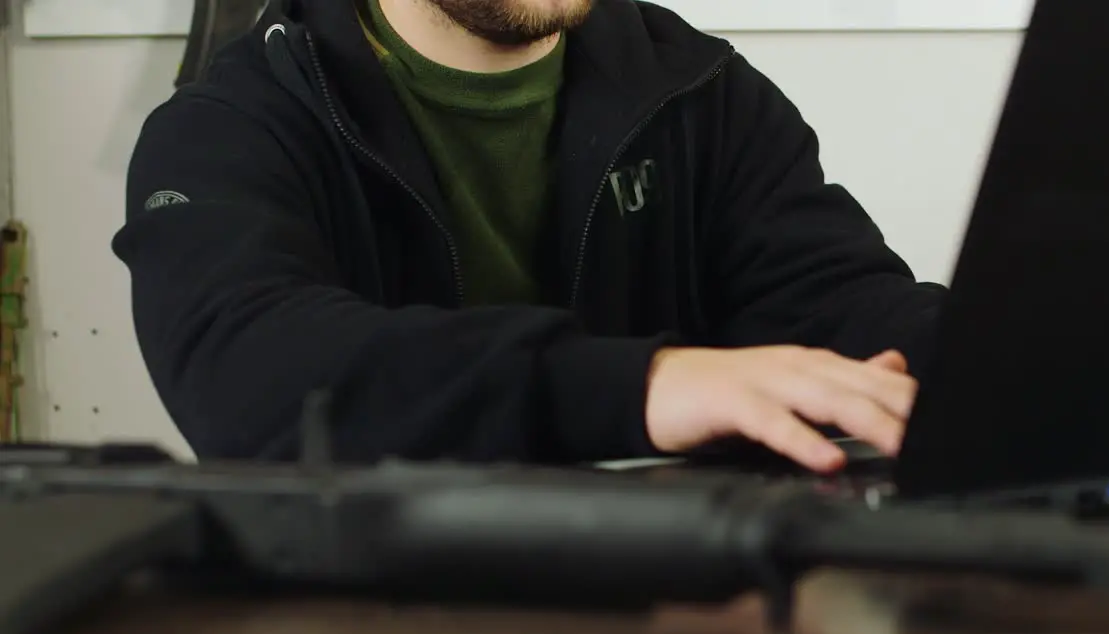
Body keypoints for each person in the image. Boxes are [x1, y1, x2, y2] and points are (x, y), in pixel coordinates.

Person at [113, 0, 946, 472]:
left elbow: (845, 316)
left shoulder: (704, 93)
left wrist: (1014, 353)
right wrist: (637, 387)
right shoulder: (234, 125)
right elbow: (250, 377)